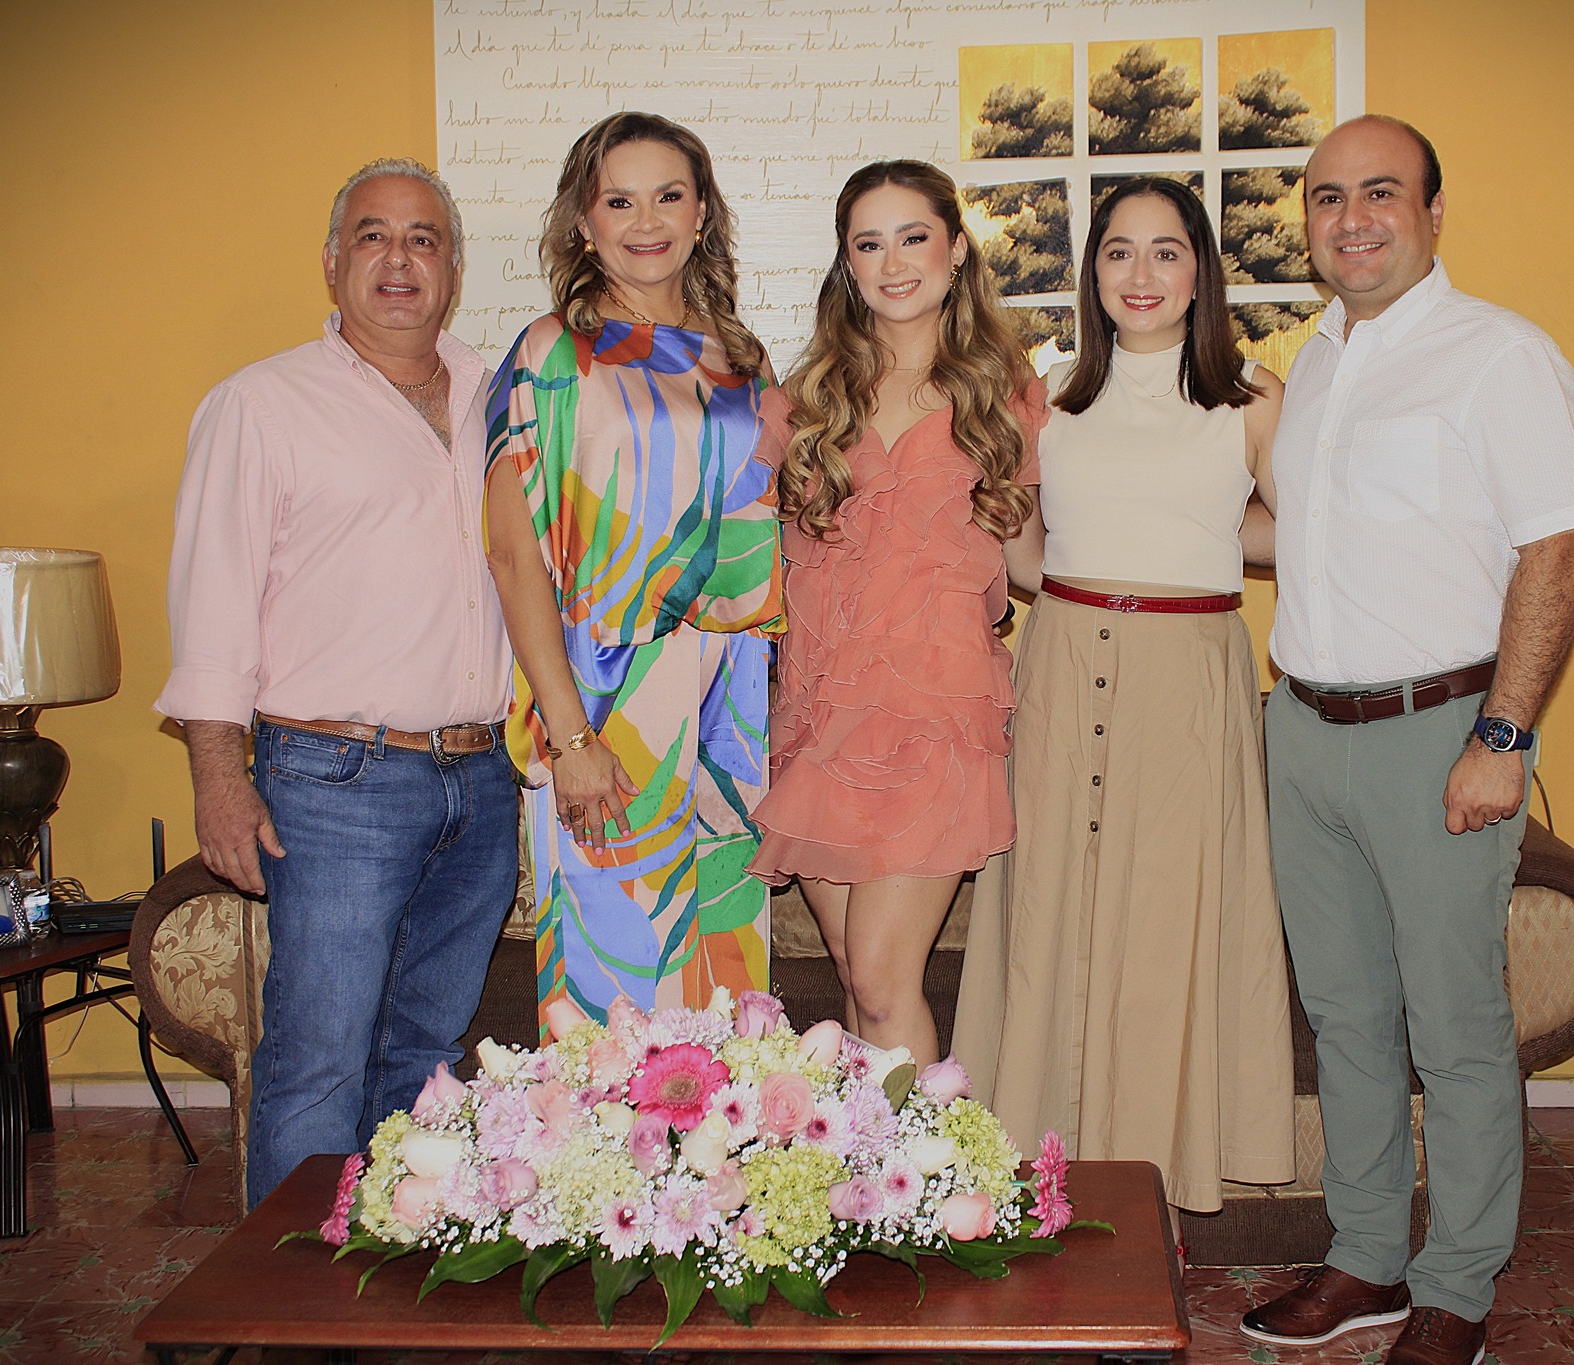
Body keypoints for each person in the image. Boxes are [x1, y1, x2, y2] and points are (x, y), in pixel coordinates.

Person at [1240, 116, 1574, 1365]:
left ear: (1432, 212)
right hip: (1303, 728)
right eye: (1327, 197)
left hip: (1439, 728)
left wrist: (1501, 733)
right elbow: (1297, 537)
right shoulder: (1310, 365)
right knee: (1343, 1016)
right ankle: (1365, 1261)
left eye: (1379, 192)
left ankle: (1456, 1286)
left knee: (1453, 1028)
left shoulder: (1498, 355)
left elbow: (1561, 546)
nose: (1351, 220)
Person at [157, 159, 517, 1209]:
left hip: (480, 777)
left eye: (422, 239)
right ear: (331, 263)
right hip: (331, 782)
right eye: (373, 236)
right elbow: (212, 605)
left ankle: (394, 1253)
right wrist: (220, 780)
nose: (399, 259)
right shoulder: (260, 405)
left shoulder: (501, 397)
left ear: (452, 269)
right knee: (318, 1055)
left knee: (427, 1050)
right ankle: (295, 1287)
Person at [952, 176, 1295, 1214]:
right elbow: (1021, 554)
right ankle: (1036, 1177)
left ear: (1199, 271)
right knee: (1050, 915)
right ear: (1090, 271)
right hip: (1061, 664)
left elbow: (1305, 533)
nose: (1140, 274)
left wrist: (1199, 544)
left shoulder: (1254, 398)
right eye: (1117, 251)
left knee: (1165, 932)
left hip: (1186, 680)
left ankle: (1151, 1193)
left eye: (1165, 251)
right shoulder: (1046, 396)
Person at [484, 112, 783, 1028]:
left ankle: (729, 1130)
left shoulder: (742, 356)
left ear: (702, 214)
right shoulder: (550, 353)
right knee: (614, 983)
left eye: (668, 196)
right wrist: (569, 736)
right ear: (584, 221)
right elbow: (514, 556)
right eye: (619, 201)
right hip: (608, 701)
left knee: (728, 983)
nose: (646, 221)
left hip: (733, 698)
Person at [749, 160, 1044, 1065]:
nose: (894, 262)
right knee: (852, 973)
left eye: (913, 237)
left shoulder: (1005, 394)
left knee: (881, 978)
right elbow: (751, 558)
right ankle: (870, 1156)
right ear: (848, 264)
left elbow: (1032, 561)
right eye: (869, 244)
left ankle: (926, 1159)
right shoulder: (805, 401)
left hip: (935, 716)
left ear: (956, 249)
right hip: (820, 715)